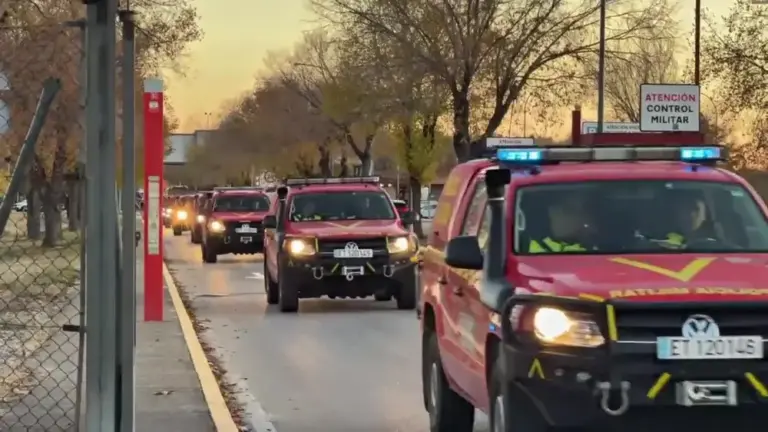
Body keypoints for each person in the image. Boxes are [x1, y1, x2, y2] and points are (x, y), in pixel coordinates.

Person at [528, 194, 596, 253]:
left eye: (585, 210)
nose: (580, 218)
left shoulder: (596, 247)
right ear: (549, 215)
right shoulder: (531, 251)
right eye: (569, 210)